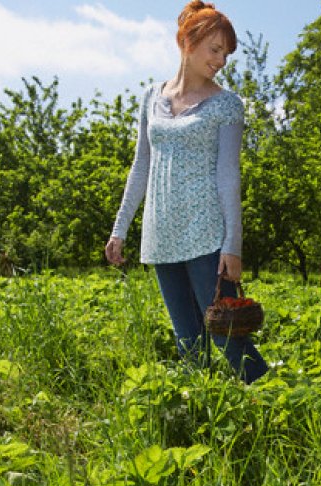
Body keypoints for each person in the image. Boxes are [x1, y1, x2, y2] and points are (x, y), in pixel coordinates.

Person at [105, 1, 268, 384]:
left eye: (226, 54)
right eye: (215, 50)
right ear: (187, 42)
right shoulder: (151, 97)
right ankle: (201, 420)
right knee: (188, 343)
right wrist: (120, 229)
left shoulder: (226, 104)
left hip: (208, 236)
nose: (221, 61)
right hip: (161, 236)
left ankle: (277, 410)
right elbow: (140, 166)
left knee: (229, 337)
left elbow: (230, 176)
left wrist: (233, 245)